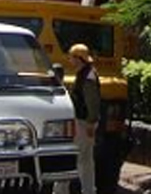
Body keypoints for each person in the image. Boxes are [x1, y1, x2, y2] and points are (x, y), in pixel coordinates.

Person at [68, 44, 101, 194]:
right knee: (84, 159)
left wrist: (90, 123)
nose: (69, 60)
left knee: (81, 159)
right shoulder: (84, 73)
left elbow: (92, 102)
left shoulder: (87, 76)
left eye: (72, 57)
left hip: (83, 122)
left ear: (78, 58)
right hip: (83, 122)